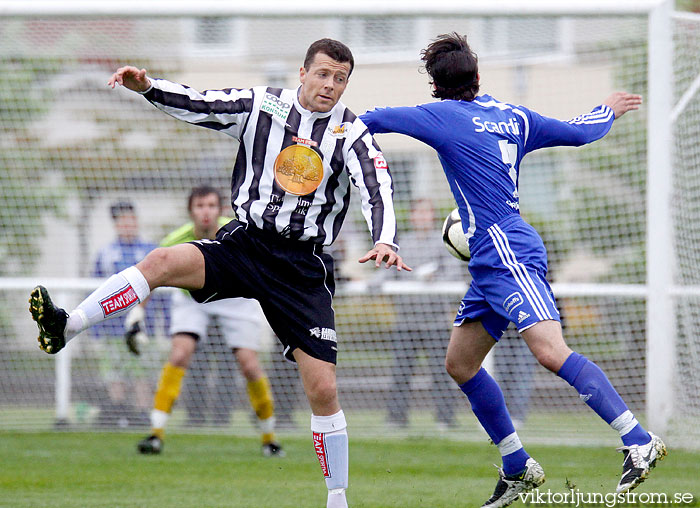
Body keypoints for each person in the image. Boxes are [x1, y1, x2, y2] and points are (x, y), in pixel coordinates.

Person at [29, 38, 409, 508]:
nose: (330, 85)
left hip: (300, 267)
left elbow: (377, 184)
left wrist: (386, 237)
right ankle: (67, 324)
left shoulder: (350, 132)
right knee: (161, 262)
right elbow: (202, 103)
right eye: (323, 74)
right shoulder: (262, 105)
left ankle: (337, 498)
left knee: (323, 387)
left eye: (340, 78)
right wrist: (149, 87)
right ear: (303, 72)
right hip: (247, 243)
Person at [361, 33, 665, 507]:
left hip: (506, 249)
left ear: (435, 87)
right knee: (460, 363)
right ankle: (517, 466)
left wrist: (318, 126)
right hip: (491, 259)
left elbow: (372, 121)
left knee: (549, 351)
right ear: (478, 78)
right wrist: (606, 108)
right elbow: (579, 131)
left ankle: (638, 438)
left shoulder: (438, 116)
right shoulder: (514, 116)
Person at [125, 185, 284, 457]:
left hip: (235, 298)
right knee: (179, 355)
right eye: (200, 206)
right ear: (191, 211)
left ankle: (269, 438)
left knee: (249, 365)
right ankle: (155, 434)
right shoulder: (177, 238)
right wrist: (136, 314)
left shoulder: (237, 231)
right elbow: (151, 275)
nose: (206, 212)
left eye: (211, 205)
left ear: (220, 209)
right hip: (192, 297)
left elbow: (265, 260)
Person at [378, 198, 466, 429]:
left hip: (435, 322)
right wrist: (373, 283)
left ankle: (445, 419)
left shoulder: (445, 243)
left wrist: (433, 280)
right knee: (400, 373)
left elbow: (454, 277)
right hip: (405, 322)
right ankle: (396, 419)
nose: (423, 217)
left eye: (427, 212)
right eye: (419, 212)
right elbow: (388, 272)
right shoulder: (401, 244)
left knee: (442, 372)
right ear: (412, 216)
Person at [91, 200, 159, 428]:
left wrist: (164, 323)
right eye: (121, 221)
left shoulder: (150, 251)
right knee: (114, 372)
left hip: (143, 325)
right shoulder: (106, 254)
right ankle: (117, 412)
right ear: (116, 224)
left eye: (131, 219)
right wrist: (96, 327)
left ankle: (141, 414)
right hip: (112, 327)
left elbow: (159, 291)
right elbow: (95, 291)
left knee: (142, 371)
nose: (127, 224)